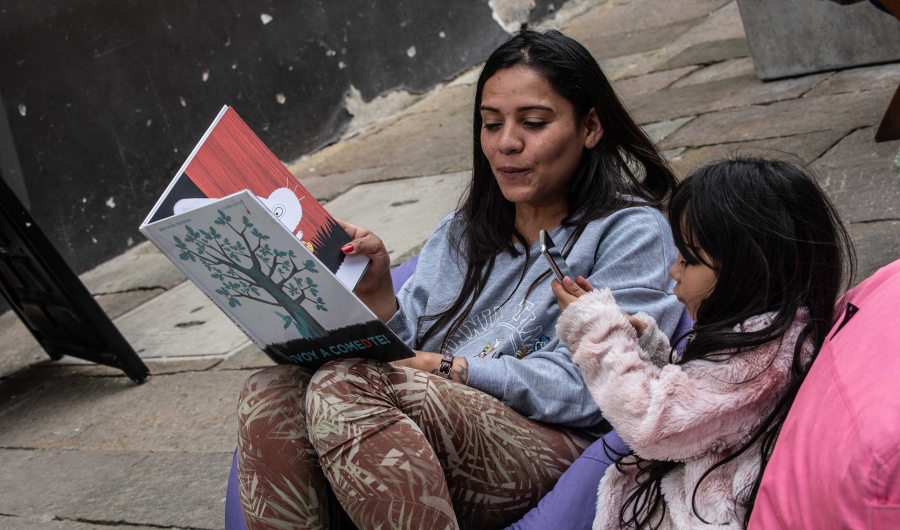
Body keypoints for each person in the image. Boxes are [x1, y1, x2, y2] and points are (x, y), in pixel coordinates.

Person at [236, 29, 684, 530]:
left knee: (344, 386)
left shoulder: (631, 230)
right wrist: (380, 296)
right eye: (491, 124)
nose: (506, 143)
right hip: (435, 415)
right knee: (270, 391)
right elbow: (405, 358)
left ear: (591, 127)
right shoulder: (461, 231)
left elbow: (593, 387)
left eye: (533, 122)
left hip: (552, 439)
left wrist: (451, 368)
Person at [541, 157, 853, 529]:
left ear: (747, 269)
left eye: (688, 260)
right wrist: (635, 336)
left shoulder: (762, 359)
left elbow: (655, 422)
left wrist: (596, 329)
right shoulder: (767, 338)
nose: (673, 270)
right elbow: (698, 396)